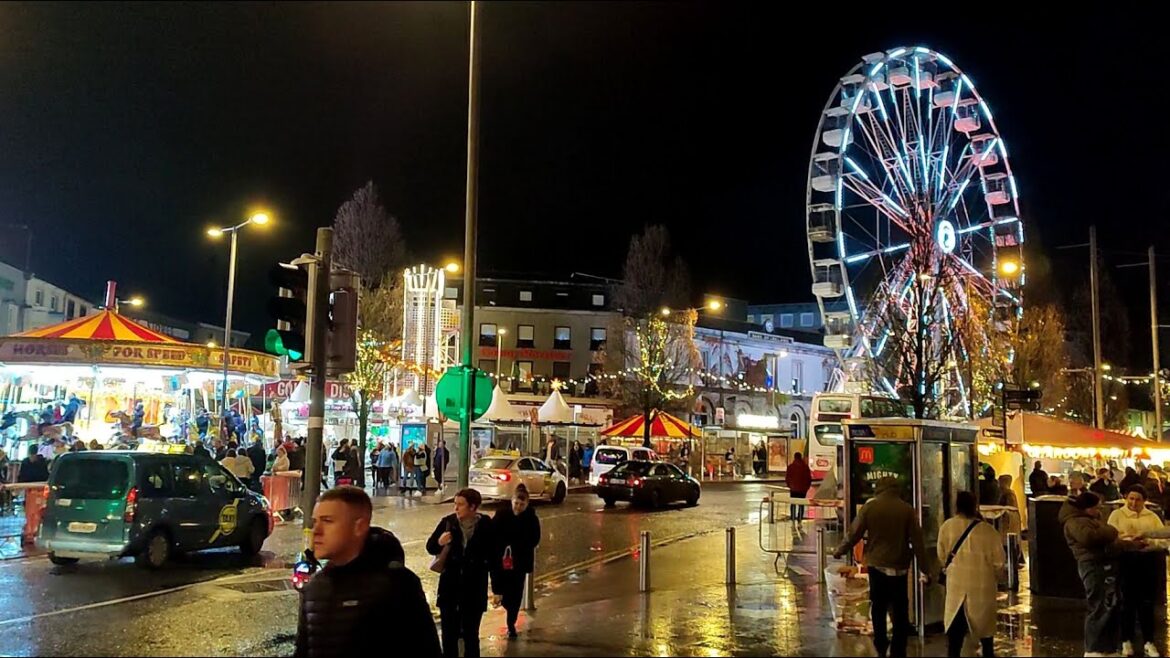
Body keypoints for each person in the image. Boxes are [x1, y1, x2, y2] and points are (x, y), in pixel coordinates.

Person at [295, 486, 439, 658]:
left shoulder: (397, 584)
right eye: (315, 522)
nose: (316, 531)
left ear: (359, 526)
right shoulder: (314, 587)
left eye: (327, 521)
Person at [834, 477, 931, 658]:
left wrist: (840, 550)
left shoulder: (871, 507)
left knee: (878, 605)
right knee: (900, 607)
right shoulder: (907, 510)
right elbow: (918, 542)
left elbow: (854, 533)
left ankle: (880, 642)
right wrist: (925, 569)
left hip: (876, 565)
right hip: (899, 565)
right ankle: (898, 646)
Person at [1061, 491, 1142, 657]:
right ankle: (1095, 649)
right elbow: (1091, 539)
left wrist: (1129, 545)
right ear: (1088, 507)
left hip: (1104, 565)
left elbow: (1105, 544)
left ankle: (1106, 648)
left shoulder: (1088, 520)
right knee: (1099, 606)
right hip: (1094, 567)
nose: (1099, 510)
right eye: (1096, 507)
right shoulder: (1076, 522)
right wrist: (1112, 532)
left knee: (1109, 605)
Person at [426, 488, 496, 658]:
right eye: (455, 504)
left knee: (471, 636)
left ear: (473, 507)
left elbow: (494, 557)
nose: (456, 508)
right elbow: (430, 547)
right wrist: (439, 541)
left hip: (474, 589)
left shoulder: (486, 525)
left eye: (460, 505)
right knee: (449, 636)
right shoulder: (448, 522)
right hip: (450, 589)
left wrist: (497, 588)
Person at [938, 491, 1004, 658]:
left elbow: (942, 555)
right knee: (986, 636)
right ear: (974, 506)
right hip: (982, 588)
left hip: (956, 588)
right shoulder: (988, 531)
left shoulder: (947, 527)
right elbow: (999, 562)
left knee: (955, 640)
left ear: (957, 506)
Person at [1107, 485, 1164, 658]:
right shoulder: (1117, 515)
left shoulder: (1152, 516)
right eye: (1131, 498)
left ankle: (1149, 641)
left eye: (1138, 499)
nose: (1133, 502)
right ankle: (1126, 640)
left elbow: (1162, 538)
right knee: (1127, 602)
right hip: (1126, 561)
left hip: (1147, 562)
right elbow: (1110, 537)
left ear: (1144, 500)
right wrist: (1126, 540)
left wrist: (1151, 543)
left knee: (1147, 603)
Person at [491, 483, 541, 638]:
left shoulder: (531, 518)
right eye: (516, 503)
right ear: (511, 501)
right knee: (502, 588)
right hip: (502, 559)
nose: (518, 507)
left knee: (516, 593)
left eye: (522, 504)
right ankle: (502, 601)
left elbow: (535, 539)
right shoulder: (502, 514)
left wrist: (518, 545)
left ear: (527, 504)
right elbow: (493, 534)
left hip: (519, 562)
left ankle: (511, 623)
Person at [785, 452, 812, 523]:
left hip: (793, 489)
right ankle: (800, 518)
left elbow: (787, 478)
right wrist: (806, 487)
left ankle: (793, 518)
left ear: (794, 457)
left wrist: (790, 486)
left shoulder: (790, 467)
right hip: (803, 490)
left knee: (793, 504)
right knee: (801, 504)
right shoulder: (805, 467)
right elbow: (809, 479)